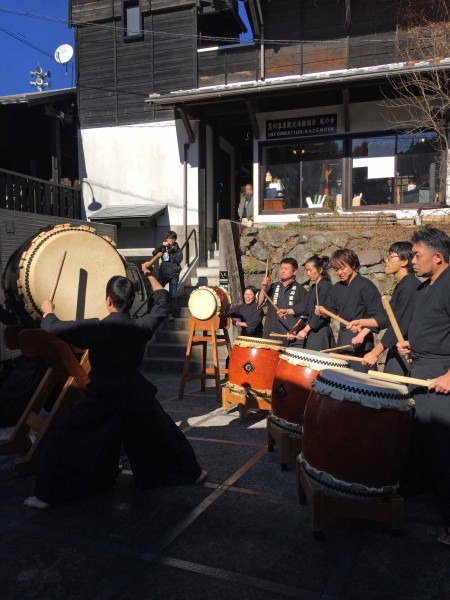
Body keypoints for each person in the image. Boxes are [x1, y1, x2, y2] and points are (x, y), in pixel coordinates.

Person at [24, 268, 206, 509]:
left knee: (62, 435)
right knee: (163, 433)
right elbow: (163, 302)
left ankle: (46, 496)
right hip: (134, 392)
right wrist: (150, 275)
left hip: (105, 394)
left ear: (108, 300)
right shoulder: (142, 326)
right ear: (131, 301)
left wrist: (48, 312)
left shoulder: (95, 328)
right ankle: (192, 473)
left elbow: (53, 328)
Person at [396, 226, 450, 545]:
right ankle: (428, 495)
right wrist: (410, 346)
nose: (412, 261)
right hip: (422, 369)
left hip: (440, 375)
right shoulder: (428, 285)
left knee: (445, 448)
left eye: (417, 255)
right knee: (425, 441)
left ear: (438, 257)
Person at [316, 248, 384, 373]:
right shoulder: (337, 287)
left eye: (342, 268)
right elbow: (331, 311)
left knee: (360, 383)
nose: (339, 272)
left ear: (353, 265)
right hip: (343, 339)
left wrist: (361, 335)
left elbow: (377, 316)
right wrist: (322, 312)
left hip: (361, 340)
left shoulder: (366, 286)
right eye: (336, 270)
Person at [360, 242, 419, 375]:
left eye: (391, 256)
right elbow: (387, 317)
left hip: (407, 352)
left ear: (404, 261)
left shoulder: (410, 287)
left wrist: (375, 352)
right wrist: (363, 322)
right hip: (397, 348)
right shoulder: (402, 286)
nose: (386, 260)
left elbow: (399, 326)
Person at [287, 255, 335, 351]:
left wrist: (305, 329)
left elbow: (320, 315)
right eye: (306, 271)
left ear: (320, 270)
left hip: (320, 332)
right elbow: (306, 306)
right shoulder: (313, 287)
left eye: (310, 270)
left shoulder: (326, 287)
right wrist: (288, 311)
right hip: (312, 332)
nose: (308, 273)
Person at [259, 257, 307, 345]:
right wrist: (263, 288)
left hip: (289, 335)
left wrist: (295, 330)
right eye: (281, 268)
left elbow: (305, 314)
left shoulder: (301, 290)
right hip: (271, 333)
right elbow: (260, 304)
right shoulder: (273, 286)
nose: (282, 271)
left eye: (286, 269)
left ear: (294, 271)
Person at [150, 231, 182, 320]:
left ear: (174, 240)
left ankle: (170, 314)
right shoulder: (163, 248)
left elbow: (178, 259)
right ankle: (154, 311)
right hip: (163, 274)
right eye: (168, 238)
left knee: (172, 295)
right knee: (156, 291)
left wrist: (170, 251)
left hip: (174, 275)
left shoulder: (177, 249)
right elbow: (154, 252)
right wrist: (162, 246)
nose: (170, 240)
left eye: (172, 238)